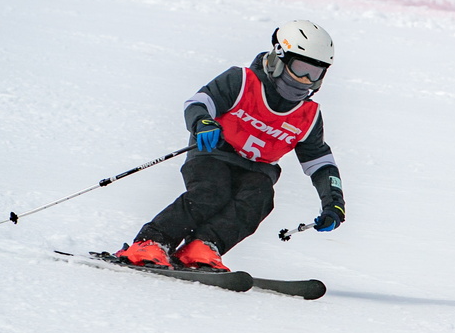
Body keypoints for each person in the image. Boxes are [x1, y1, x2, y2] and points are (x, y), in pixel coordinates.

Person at [115, 20, 345, 270]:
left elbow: (321, 164)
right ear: (279, 59)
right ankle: (151, 241)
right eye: (300, 69)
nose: (305, 80)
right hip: (213, 155)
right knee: (211, 192)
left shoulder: (308, 116)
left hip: (257, 170)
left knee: (259, 199)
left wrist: (333, 203)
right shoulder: (241, 81)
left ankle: (202, 246)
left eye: (315, 73)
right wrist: (203, 122)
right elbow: (198, 102)